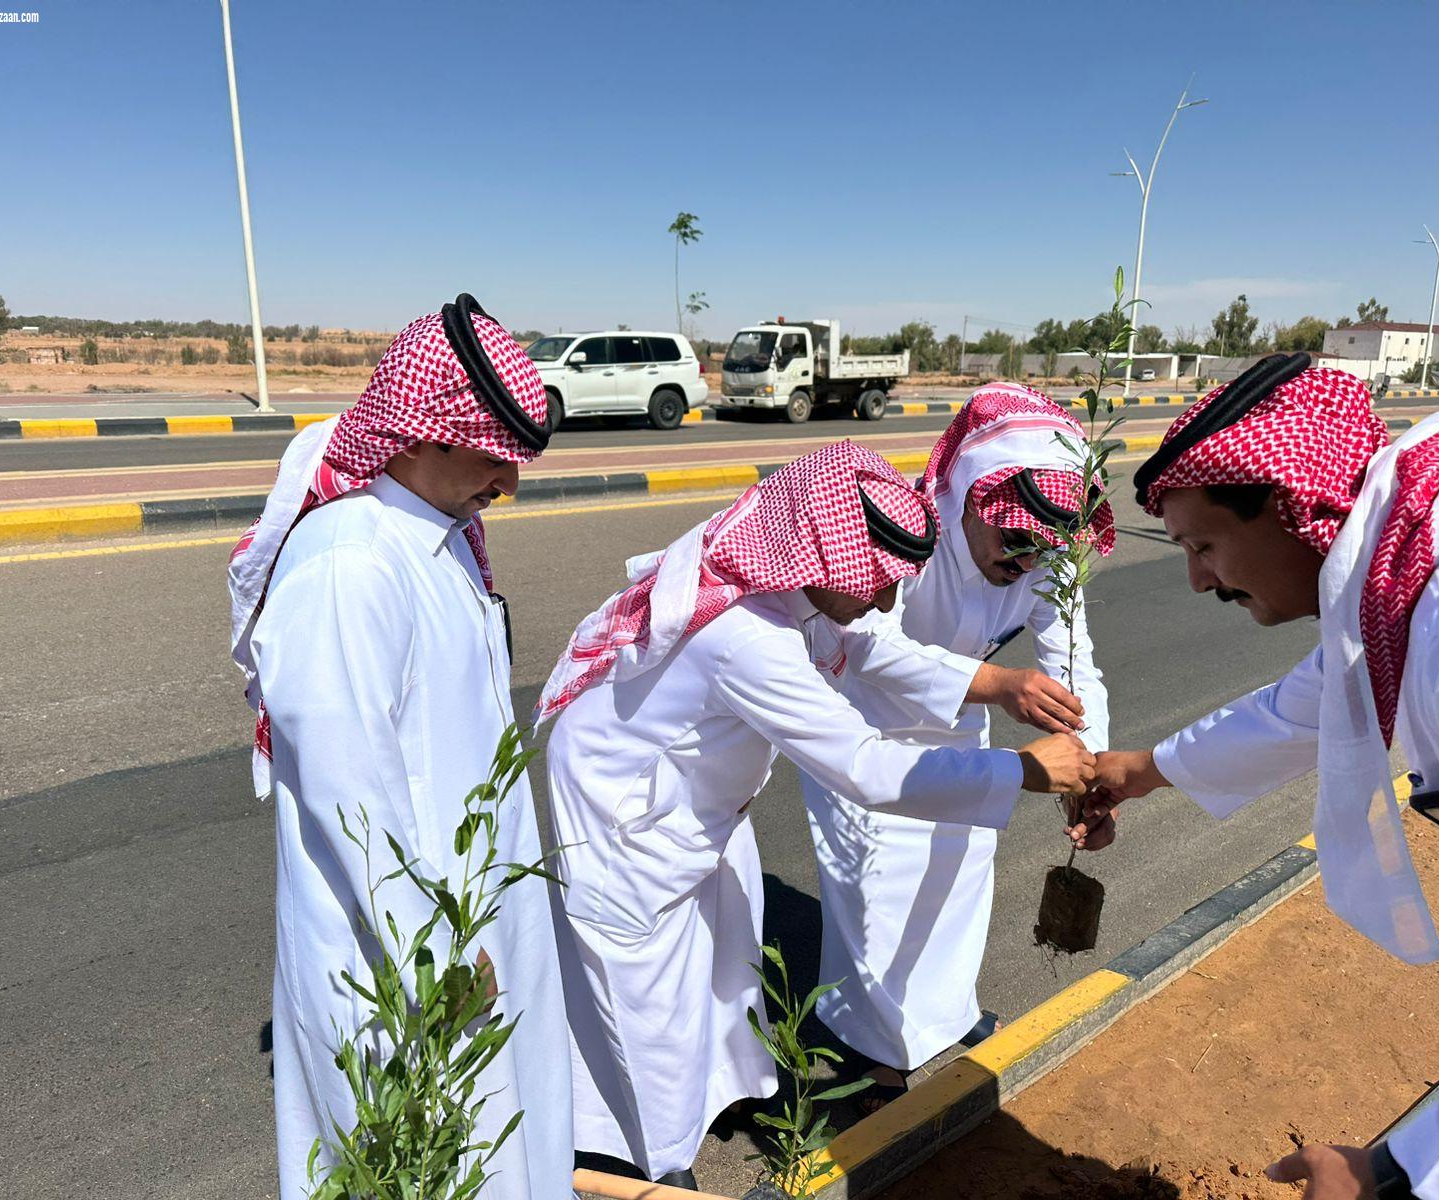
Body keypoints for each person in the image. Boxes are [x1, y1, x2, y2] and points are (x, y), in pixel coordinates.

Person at [535, 440, 1095, 1188]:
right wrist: (1020, 770)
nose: (889, 603)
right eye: (878, 583)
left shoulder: (784, 567)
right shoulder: (743, 636)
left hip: (692, 794)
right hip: (627, 810)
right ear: (827, 553)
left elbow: (865, 645)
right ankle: (650, 1164)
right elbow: (864, 766)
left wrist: (1000, 685)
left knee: (720, 968)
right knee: (647, 1002)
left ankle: (698, 1110)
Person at [1071, 353, 1439, 1200]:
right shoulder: (1404, 589)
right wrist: (1140, 771)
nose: (1197, 579)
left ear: (1296, 508)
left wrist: (1407, 1181)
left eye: (1204, 545)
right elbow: (1303, 707)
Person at [228, 295, 572, 1199]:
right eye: (493, 457)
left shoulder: (439, 538)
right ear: (422, 435)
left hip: (471, 926)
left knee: (499, 1145)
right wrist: (435, 958)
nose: (509, 483)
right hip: (397, 956)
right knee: (415, 1164)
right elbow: (351, 793)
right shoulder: (351, 562)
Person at [802, 383, 1114, 1101]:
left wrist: (1090, 770)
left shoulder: (1044, 558)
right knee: (873, 893)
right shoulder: (911, 528)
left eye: (1043, 550)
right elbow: (863, 640)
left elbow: (1073, 662)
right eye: (1014, 541)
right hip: (866, 728)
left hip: (958, 726)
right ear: (975, 501)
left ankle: (945, 1015)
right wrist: (997, 684)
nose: (1025, 562)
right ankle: (877, 1042)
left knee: (959, 877)